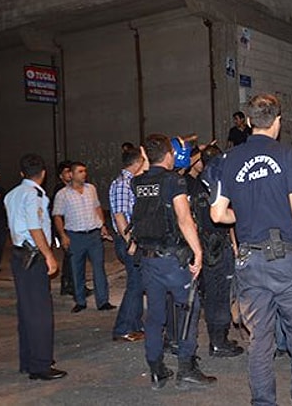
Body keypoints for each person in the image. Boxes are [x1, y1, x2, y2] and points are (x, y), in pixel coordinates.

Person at [210, 94, 292, 406]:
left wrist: (247, 213)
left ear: (250, 121)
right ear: (278, 122)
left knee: (260, 342)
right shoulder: (288, 155)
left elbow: (217, 214)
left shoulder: (229, 159)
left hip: (250, 262)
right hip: (287, 262)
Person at [130, 133, 217, 390]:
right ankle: (186, 368)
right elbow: (183, 218)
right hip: (173, 261)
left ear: (146, 156)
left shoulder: (137, 182)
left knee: (155, 316)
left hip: (148, 260)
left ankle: (156, 369)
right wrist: (198, 252)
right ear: (170, 155)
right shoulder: (174, 181)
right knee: (189, 310)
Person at [4, 153, 67, 381]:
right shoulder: (35, 195)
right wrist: (49, 256)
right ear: (43, 173)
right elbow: (35, 227)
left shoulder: (12, 194)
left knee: (26, 311)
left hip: (19, 256)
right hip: (33, 257)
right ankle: (41, 365)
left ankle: (28, 360)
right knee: (40, 313)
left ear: (22, 173)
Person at [186, 144, 244, 358]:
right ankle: (218, 341)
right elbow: (219, 220)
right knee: (219, 295)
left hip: (207, 245)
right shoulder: (213, 186)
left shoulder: (196, 185)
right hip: (215, 248)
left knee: (215, 294)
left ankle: (219, 338)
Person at [52, 162, 115, 313]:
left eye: (85, 171)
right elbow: (57, 216)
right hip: (75, 236)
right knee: (77, 269)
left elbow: (97, 207)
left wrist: (102, 226)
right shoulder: (62, 194)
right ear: (71, 174)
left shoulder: (91, 189)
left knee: (99, 268)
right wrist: (63, 236)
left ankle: (103, 301)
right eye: (80, 171)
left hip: (93, 234)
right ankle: (80, 301)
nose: (84, 174)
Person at [109, 147, 146, 342]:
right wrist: (130, 241)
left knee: (139, 283)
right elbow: (120, 215)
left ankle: (134, 324)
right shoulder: (123, 184)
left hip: (132, 239)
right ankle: (123, 328)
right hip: (128, 240)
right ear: (137, 162)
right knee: (135, 284)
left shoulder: (130, 182)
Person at [52, 160, 79, 296]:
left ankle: (70, 284)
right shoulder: (60, 190)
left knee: (72, 258)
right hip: (65, 228)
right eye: (66, 172)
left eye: (71, 171)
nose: (70, 175)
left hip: (73, 227)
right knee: (71, 257)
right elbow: (57, 214)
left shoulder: (75, 187)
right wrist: (61, 233)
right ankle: (69, 285)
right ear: (61, 176)